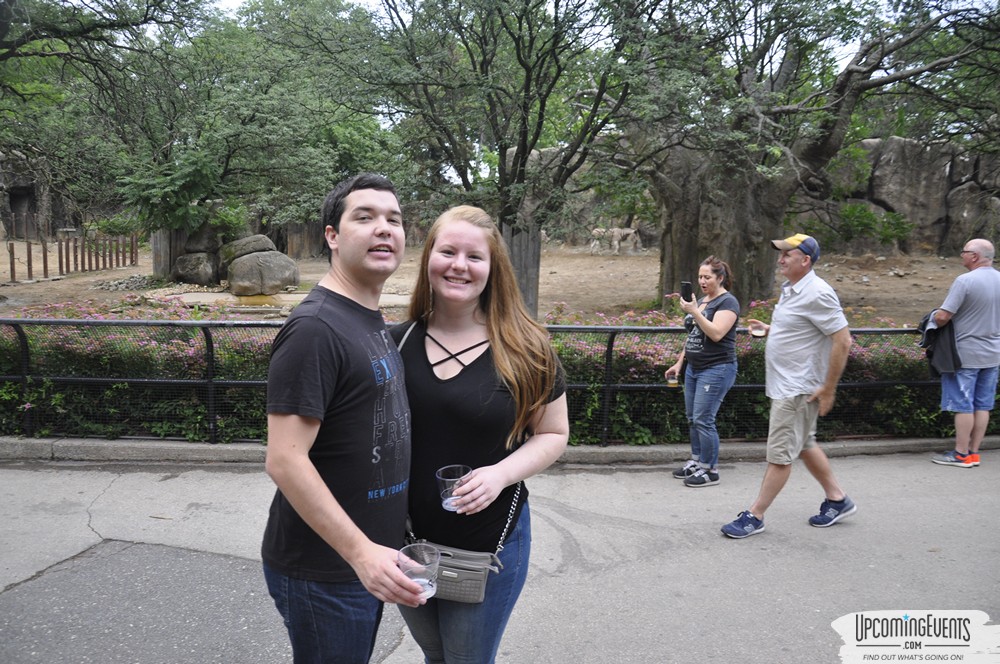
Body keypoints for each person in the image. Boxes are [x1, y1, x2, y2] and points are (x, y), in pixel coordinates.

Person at [390, 205, 569, 664]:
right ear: (428, 257)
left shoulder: (527, 348)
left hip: (488, 544)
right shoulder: (395, 343)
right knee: (435, 654)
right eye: (447, 251)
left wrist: (500, 475)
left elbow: (553, 433)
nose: (459, 265)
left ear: (493, 269)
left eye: (474, 257)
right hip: (409, 544)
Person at [261, 173, 425, 664]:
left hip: (365, 563)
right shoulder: (315, 328)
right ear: (332, 236)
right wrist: (360, 553)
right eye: (365, 217)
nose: (384, 228)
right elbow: (285, 460)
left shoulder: (367, 318)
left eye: (393, 219)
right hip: (326, 570)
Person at [721, 233, 856, 539]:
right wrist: (772, 330)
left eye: (786, 255)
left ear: (805, 260)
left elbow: (842, 339)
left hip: (796, 389)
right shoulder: (793, 289)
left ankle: (755, 516)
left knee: (780, 455)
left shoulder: (817, 292)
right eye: (780, 254)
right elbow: (805, 329)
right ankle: (838, 498)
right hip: (788, 384)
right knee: (805, 444)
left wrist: (829, 388)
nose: (780, 259)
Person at [665, 256, 740, 487]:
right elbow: (694, 336)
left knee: (704, 419)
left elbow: (716, 333)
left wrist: (694, 312)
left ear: (720, 277)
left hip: (717, 368)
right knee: (692, 418)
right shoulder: (704, 301)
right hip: (694, 368)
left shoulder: (727, 303)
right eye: (700, 276)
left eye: (707, 277)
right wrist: (680, 363)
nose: (702, 281)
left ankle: (711, 469)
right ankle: (697, 462)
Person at [930, 238, 1000, 468]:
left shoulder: (965, 281)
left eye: (964, 252)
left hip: (965, 354)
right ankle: (973, 453)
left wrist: (931, 318)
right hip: (993, 353)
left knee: (962, 404)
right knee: (983, 405)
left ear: (975, 256)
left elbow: (943, 317)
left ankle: (960, 455)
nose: (961, 255)